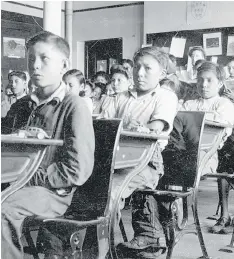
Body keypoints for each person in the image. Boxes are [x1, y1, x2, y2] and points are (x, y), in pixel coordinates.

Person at [1, 31, 95, 259]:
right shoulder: (21, 105)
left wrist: (27, 177)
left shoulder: (74, 106)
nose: (35, 66)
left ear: (63, 65)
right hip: (16, 185)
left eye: (44, 59)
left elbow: (77, 170)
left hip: (51, 192)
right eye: (31, 59)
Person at [100, 46, 178, 255]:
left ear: (161, 73)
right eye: (137, 67)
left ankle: (103, 251)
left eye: (147, 68)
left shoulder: (165, 96)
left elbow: (155, 129)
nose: (139, 73)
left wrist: (134, 127)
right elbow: (103, 125)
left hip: (146, 161)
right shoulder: (120, 97)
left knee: (109, 191)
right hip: (114, 158)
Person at [180, 61, 234, 175]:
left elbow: (218, 133)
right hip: (182, 149)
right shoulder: (189, 104)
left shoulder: (224, 104)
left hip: (206, 153)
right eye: (200, 80)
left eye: (209, 80)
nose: (203, 84)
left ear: (220, 84)